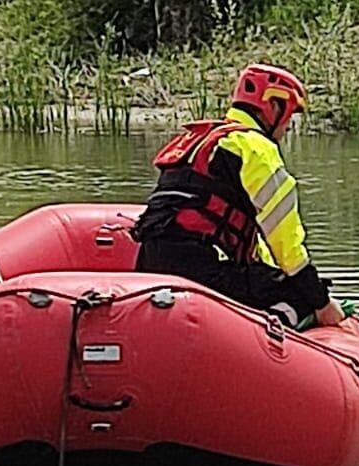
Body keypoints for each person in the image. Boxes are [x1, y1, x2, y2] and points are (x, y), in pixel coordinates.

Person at [131, 64, 345, 327]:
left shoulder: (198, 140)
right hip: (201, 269)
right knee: (299, 296)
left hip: (147, 264)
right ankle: (270, 339)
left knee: (272, 279)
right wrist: (321, 302)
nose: (288, 125)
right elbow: (285, 242)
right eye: (290, 115)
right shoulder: (257, 149)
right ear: (273, 106)